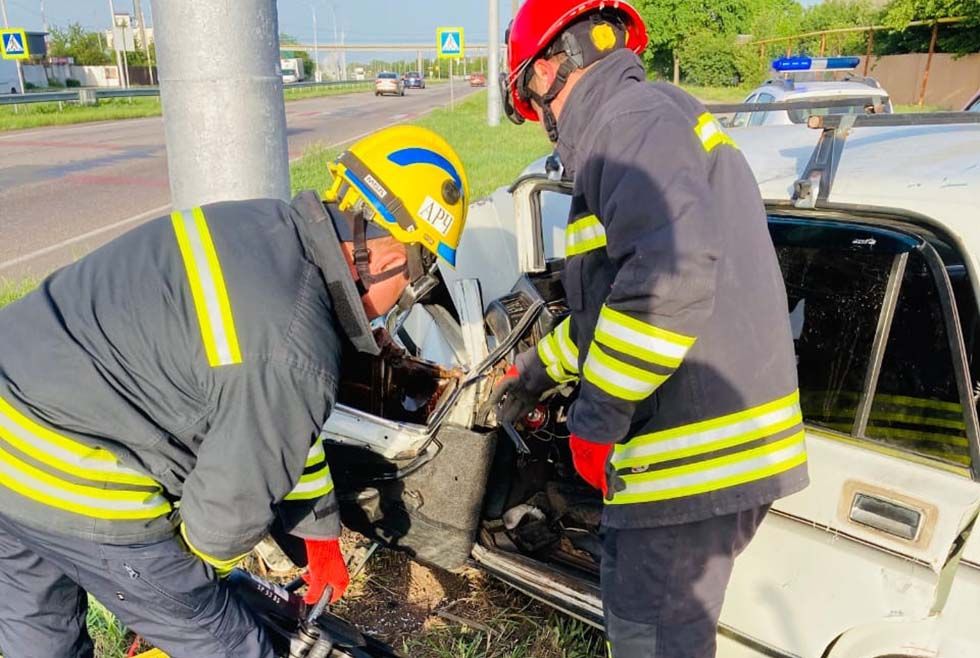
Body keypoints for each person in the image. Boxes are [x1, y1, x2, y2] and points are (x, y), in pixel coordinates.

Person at [0, 125, 469, 658]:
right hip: (69, 465)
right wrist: (175, 605)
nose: (395, 300)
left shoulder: (262, 226)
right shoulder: (297, 347)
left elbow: (277, 421)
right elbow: (223, 520)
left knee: (39, 640)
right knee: (232, 643)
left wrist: (318, 535)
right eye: (412, 275)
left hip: (9, 424)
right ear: (384, 256)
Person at [493, 2, 809, 657]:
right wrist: (535, 372)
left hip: (688, 462)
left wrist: (595, 421)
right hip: (712, 454)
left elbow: (673, 277)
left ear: (552, 67)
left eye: (529, 100)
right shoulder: (648, 120)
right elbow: (614, 311)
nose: (541, 125)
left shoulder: (627, 125)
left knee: (649, 637)